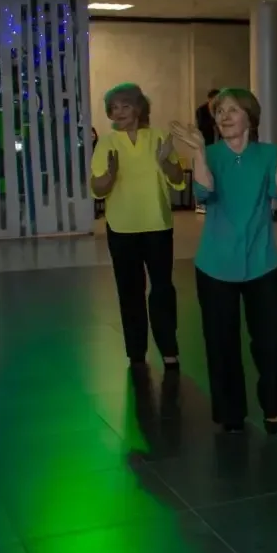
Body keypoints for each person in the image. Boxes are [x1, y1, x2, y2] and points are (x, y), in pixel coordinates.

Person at [171, 90, 277, 436]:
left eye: (233, 110)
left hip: (261, 261)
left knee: (273, 340)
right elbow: (203, 193)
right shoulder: (211, 154)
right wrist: (199, 153)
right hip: (215, 264)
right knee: (221, 343)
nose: (224, 116)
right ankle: (230, 412)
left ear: (250, 117)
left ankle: (272, 404)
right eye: (220, 111)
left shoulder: (267, 153)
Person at [89, 83, 184, 370]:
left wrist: (165, 161)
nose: (118, 112)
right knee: (130, 292)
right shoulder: (106, 143)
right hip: (122, 228)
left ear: (139, 108)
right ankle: (136, 352)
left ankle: (169, 348)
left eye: (125, 106)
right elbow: (97, 188)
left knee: (162, 289)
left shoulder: (158, 137)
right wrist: (110, 175)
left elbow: (177, 178)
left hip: (157, 224)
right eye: (113, 108)